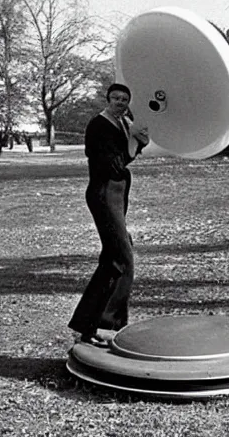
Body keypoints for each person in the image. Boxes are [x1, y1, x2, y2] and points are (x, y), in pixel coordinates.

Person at [68, 83, 149, 346]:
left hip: (116, 195)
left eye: (125, 99)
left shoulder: (123, 122)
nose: (120, 102)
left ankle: (87, 323)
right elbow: (115, 163)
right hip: (104, 194)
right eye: (115, 98)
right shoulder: (99, 125)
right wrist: (136, 144)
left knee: (112, 258)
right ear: (107, 99)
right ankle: (106, 326)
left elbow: (126, 155)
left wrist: (137, 143)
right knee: (123, 259)